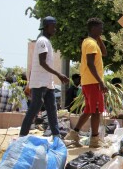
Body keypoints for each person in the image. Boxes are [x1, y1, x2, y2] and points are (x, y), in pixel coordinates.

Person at [20, 17, 69, 137]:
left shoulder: (46, 41)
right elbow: (42, 62)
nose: (55, 29)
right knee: (34, 109)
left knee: (52, 110)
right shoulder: (42, 41)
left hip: (47, 82)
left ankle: (56, 136)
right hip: (39, 82)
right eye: (53, 26)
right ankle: (22, 136)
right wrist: (58, 74)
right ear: (46, 26)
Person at [65, 18, 108, 148]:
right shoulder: (90, 44)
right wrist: (100, 82)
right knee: (95, 111)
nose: (102, 31)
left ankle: (74, 133)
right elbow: (90, 63)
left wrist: (99, 39)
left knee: (89, 110)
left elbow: (105, 53)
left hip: (89, 82)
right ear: (93, 29)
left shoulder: (91, 42)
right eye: (100, 28)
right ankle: (94, 140)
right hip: (93, 82)